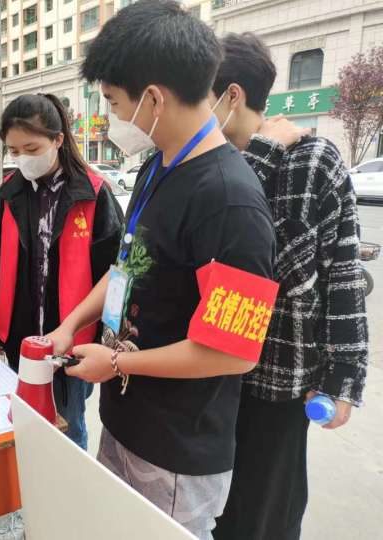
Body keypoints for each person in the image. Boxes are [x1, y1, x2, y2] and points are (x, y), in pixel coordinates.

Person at [46, 2, 278, 538]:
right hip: (127, 421)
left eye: (112, 101)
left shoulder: (229, 200)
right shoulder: (158, 166)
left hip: (177, 450)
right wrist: (71, 324)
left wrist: (119, 363)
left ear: (153, 98)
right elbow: (128, 265)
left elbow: (235, 351)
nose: (110, 117)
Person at [209, 33, 369, 540]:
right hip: (208, 374)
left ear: (231, 95)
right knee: (210, 513)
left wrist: (343, 377)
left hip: (280, 381)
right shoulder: (206, 162)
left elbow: (342, 275)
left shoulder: (314, 161)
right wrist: (259, 152)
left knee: (265, 517)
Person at [0, 93, 123, 540]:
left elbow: (117, 276)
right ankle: (30, 507)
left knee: (68, 424)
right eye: (13, 150)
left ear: (58, 140)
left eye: (32, 149)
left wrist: (109, 341)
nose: (22, 159)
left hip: (74, 342)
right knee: (26, 426)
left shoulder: (93, 194)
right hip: (23, 337)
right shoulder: (8, 195)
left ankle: (65, 515)